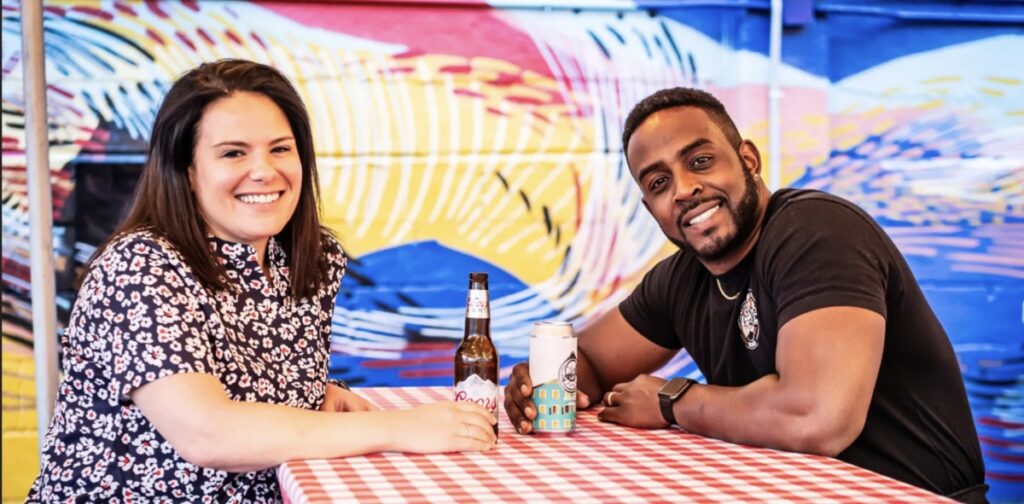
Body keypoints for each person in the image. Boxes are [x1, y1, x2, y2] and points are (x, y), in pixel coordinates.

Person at [28, 59, 496, 503]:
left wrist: (313, 395)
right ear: (187, 171)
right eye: (233, 152)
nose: (264, 171)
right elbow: (207, 432)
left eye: (280, 149)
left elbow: (242, 389)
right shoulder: (140, 267)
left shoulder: (309, 259)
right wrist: (401, 428)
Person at [504, 87, 987, 502]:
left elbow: (818, 418)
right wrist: (541, 383)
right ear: (650, 207)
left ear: (748, 160)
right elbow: (586, 359)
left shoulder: (816, 232)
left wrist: (673, 402)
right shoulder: (681, 279)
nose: (685, 189)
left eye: (700, 161)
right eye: (658, 182)